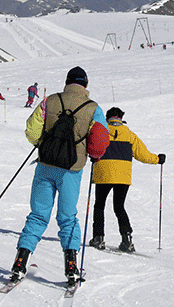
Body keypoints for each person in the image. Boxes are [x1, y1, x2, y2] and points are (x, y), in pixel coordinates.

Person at [10, 66, 110, 286]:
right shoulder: (93, 108)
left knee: (37, 215)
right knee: (67, 218)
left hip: (45, 166)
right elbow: (100, 141)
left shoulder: (50, 101)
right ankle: (71, 267)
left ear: (67, 81)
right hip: (71, 171)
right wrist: (93, 155)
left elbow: (31, 129)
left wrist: (43, 145)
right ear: (85, 84)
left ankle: (20, 261)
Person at [90, 107, 165, 253]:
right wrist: (157, 159)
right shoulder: (130, 135)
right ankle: (127, 239)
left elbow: (92, 148)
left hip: (103, 174)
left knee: (99, 205)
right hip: (123, 177)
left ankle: (98, 238)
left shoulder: (101, 131)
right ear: (120, 118)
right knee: (119, 206)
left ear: (107, 118)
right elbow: (143, 154)